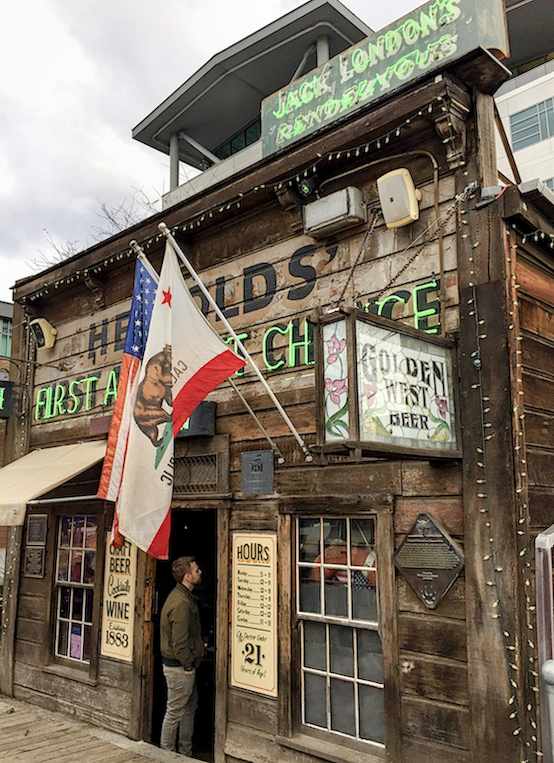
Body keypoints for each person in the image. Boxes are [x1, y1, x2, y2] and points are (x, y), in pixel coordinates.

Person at [160, 556, 204, 756]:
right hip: (178, 668)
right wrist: (188, 665)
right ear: (187, 576)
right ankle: (166, 754)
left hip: (182, 666)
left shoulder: (183, 597)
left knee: (188, 707)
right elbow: (180, 642)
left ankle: (184, 752)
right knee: (175, 711)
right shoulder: (181, 604)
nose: (200, 572)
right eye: (196, 570)